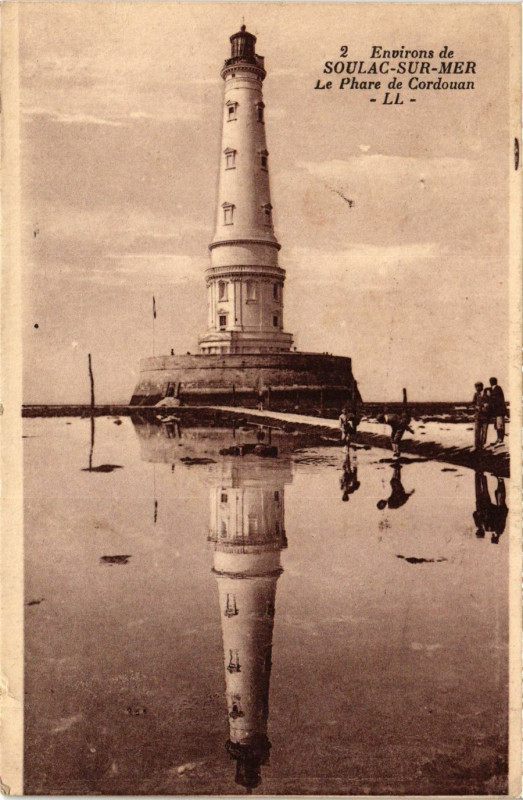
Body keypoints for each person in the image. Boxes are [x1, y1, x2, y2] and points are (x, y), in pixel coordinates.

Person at [488, 377, 507, 446]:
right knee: (497, 425)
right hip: (497, 411)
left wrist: (491, 396)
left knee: (500, 425)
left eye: (491, 381)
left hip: (499, 411)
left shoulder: (497, 388)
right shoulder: (494, 389)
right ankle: (499, 438)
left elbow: (498, 399)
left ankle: (500, 439)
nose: (490, 382)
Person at [471, 382, 490, 450]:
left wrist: (486, 405)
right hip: (478, 416)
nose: (476, 388)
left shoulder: (487, 394)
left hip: (485, 416)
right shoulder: (475, 394)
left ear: (481, 387)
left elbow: (489, 403)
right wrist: (476, 407)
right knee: (477, 431)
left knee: (484, 432)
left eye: (477, 387)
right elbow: (473, 403)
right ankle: (476, 445)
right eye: (476, 387)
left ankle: (482, 445)